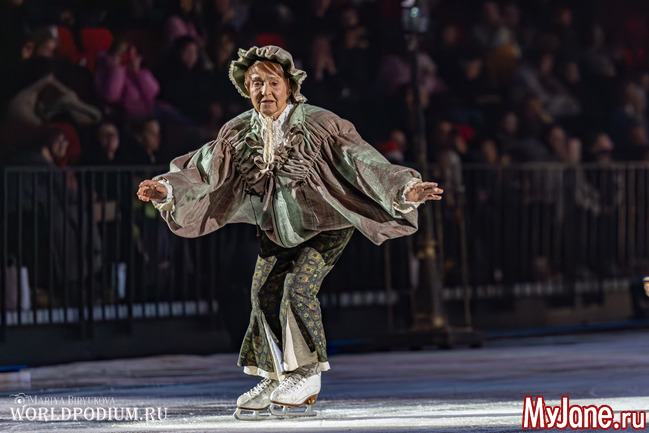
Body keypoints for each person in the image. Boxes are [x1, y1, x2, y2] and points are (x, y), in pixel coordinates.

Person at [136, 46, 443, 419]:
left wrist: (403, 188)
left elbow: (361, 159)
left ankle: (306, 373)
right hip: (278, 226)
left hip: (327, 224)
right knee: (262, 293)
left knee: (298, 288)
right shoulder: (237, 131)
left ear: (289, 86)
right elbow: (203, 169)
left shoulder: (321, 124)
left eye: (272, 82)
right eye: (255, 83)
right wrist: (167, 188)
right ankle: (273, 375)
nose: (264, 90)